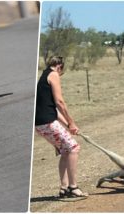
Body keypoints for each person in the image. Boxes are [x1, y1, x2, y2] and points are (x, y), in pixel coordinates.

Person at [35, 56, 88, 198]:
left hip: (42, 123)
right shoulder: (53, 74)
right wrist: (71, 121)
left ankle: (64, 188)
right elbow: (59, 102)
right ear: (59, 66)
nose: (60, 75)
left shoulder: (44, 76)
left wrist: (68, 125)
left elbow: (53, 109)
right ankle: (73, 187)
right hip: (47, 123)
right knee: (73, 148)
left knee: (66, 150)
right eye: (61, 72)